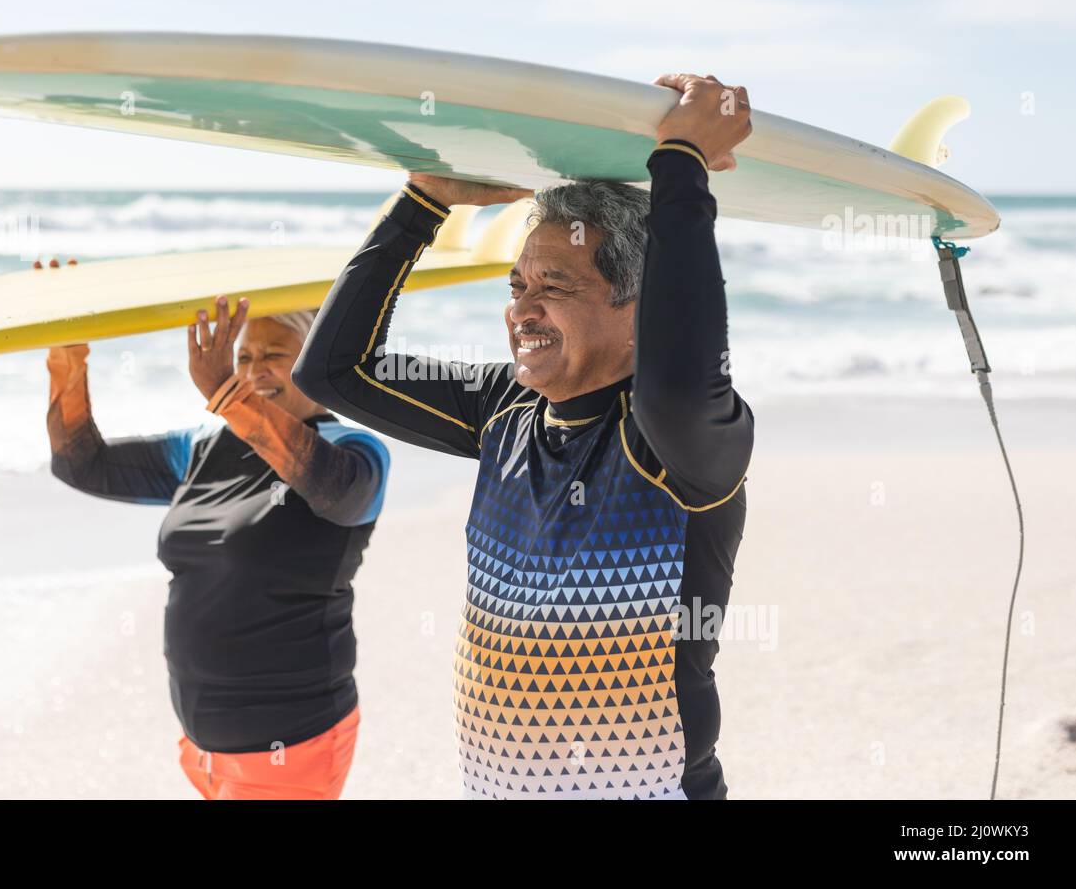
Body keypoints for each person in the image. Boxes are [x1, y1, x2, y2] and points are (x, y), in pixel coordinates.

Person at [293, 74, 755, 799]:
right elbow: (332, 371)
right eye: (517, 287)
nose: (523, 313)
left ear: (637, 309)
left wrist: (683, 162)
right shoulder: (500, 407)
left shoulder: (676, 440)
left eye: (556, 287)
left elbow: (681, 366)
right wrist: (422, 204)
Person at [44, 293, 389, 799]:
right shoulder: (204, 449)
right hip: (203, 750)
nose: (254, 371)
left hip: (291, 747)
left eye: (274, 355)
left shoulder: (355, 452)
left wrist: (226, 392)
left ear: (317, 362)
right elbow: (83, 463)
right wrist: (68, 356)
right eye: (244, 358)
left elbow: (332, 487)